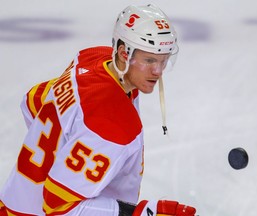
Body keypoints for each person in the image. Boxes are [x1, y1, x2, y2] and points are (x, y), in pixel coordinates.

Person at [0, 3, 196, 216]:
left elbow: (33, 101)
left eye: (163, 60)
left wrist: (64, 153)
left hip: (10, 205)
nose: (158, 71)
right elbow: (58, 206)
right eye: (149, 60)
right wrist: (142, 213)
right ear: (124, 54)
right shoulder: (112, 124)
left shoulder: (92, 59)